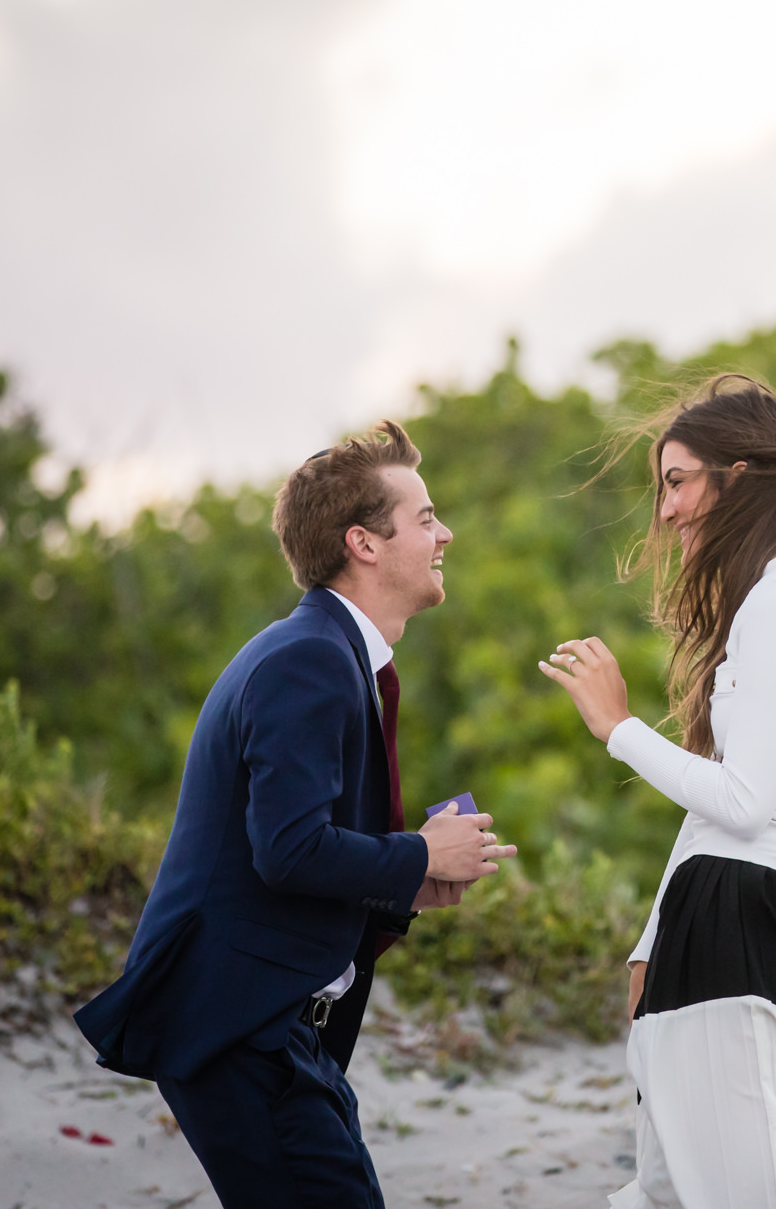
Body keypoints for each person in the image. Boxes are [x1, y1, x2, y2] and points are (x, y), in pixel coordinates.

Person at [74, 420, 517, 1209]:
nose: (444, 531)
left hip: (277, 1034)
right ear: (364, 543)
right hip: (243, 1029)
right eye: (424, 517)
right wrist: (416, 854)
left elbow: (286, 853)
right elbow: (288, 848)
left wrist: (407, 883)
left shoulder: (322, 650)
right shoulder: (309, 658)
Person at [541, 375, 776, 1209]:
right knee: (664, 1194)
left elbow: (745, 803)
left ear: (741, 478)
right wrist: (654, 940)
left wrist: (618, 727)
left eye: (679, 481)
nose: (666, 510)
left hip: (746, 920)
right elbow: (723, 816)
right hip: (758, 918)